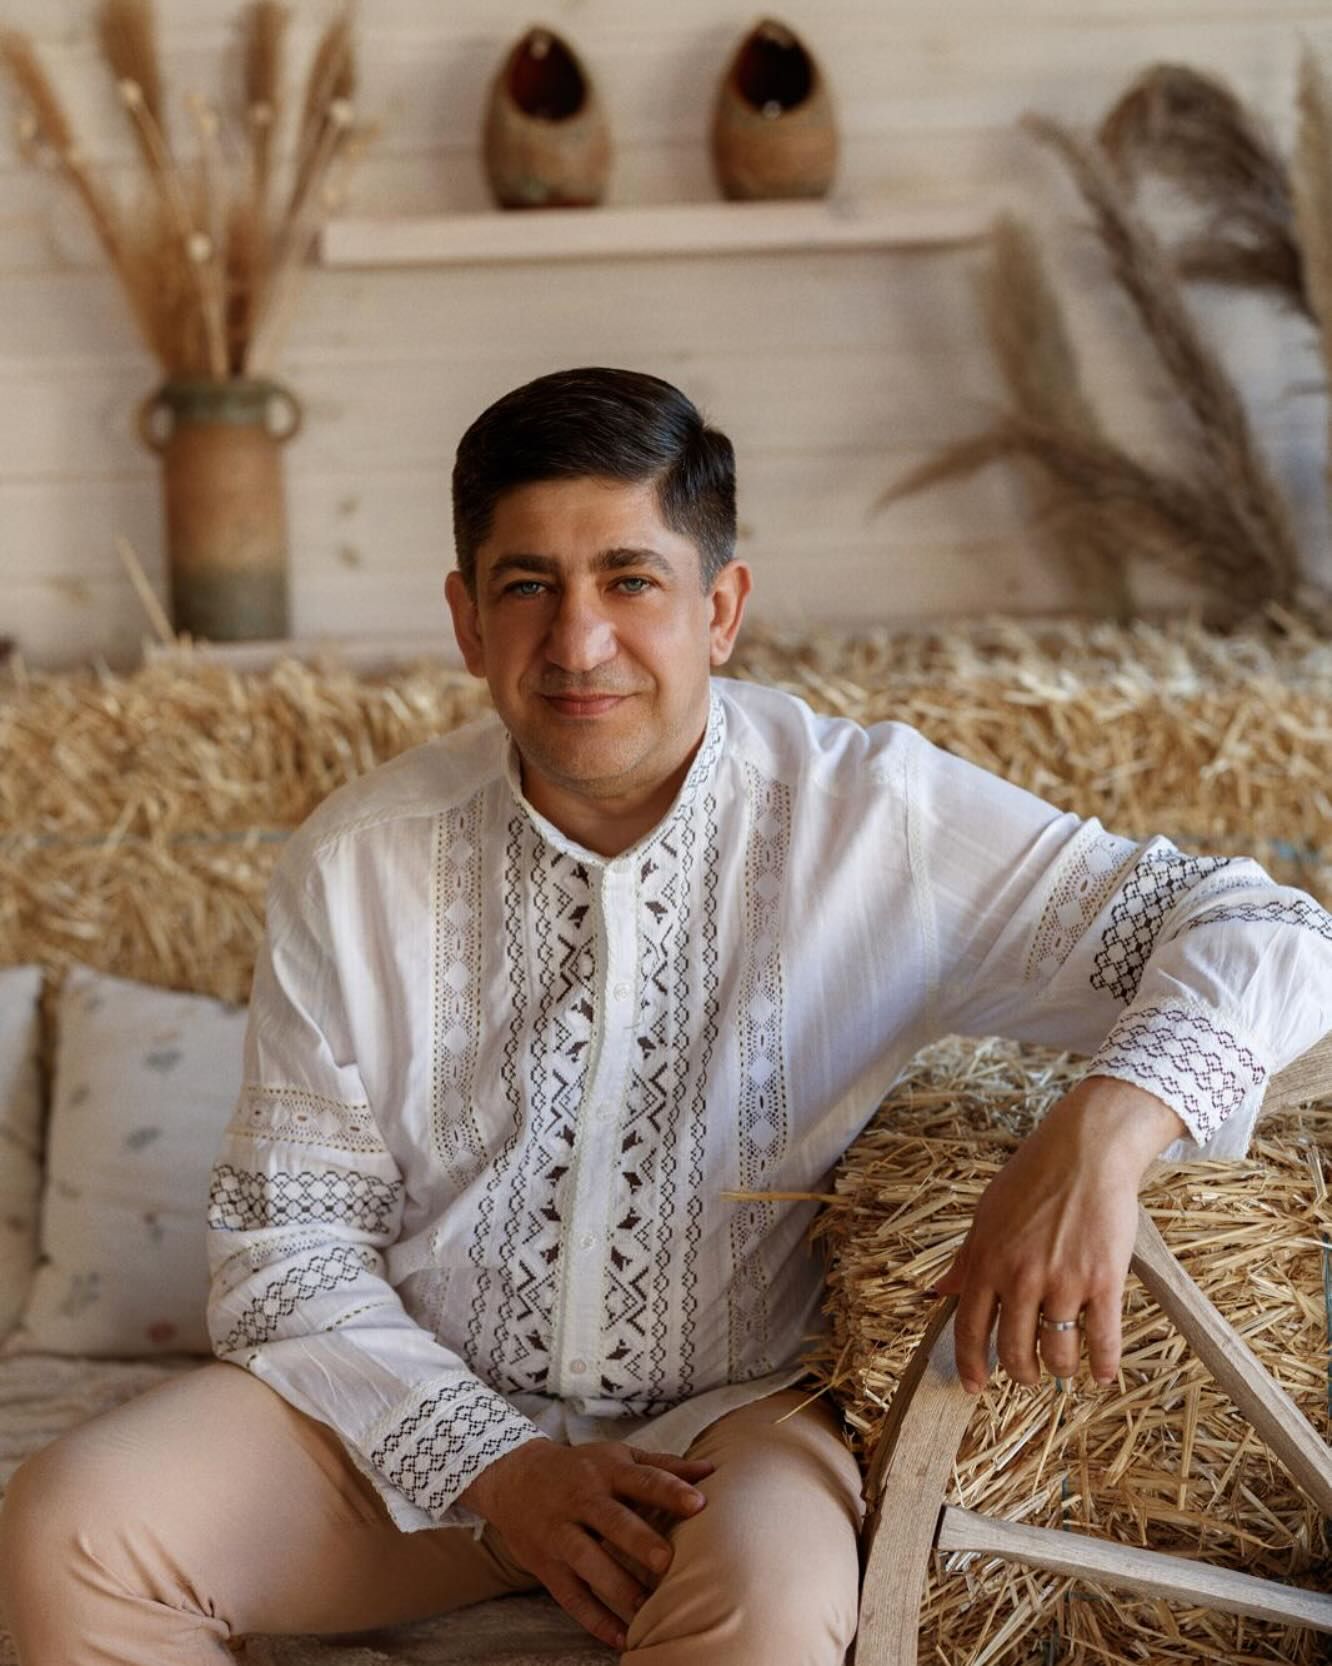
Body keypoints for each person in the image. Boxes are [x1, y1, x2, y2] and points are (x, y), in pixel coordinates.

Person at [1, 366, 1329, 1666]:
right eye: (529, 586)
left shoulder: (875, 818)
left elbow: (1276, 930)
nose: (579, 643)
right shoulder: (356, 863)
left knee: (769, 1615)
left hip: (730, 1431)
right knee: (71, 1530)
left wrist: (1104, 1129)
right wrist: (500, 1467)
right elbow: (287, 1251)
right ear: (467, 620)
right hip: (404, 1426)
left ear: (721, 608)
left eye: (630, 580)